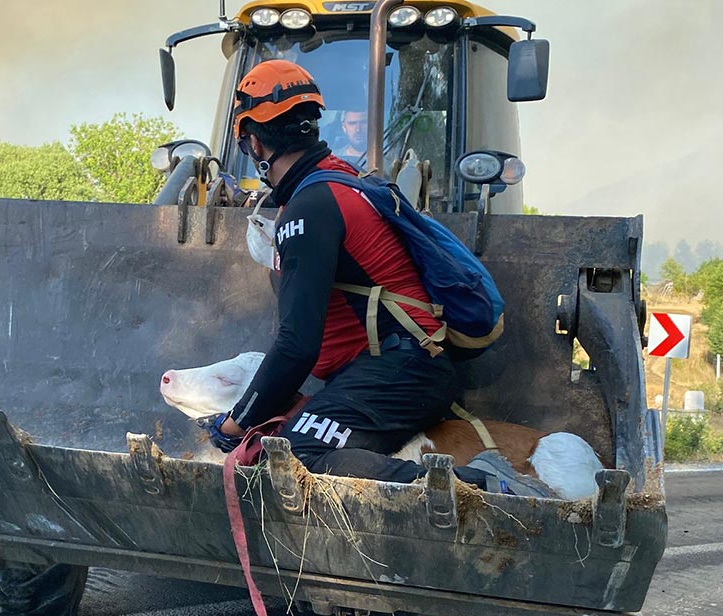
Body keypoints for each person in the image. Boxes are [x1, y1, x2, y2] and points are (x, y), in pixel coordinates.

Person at [209, 59, 523, 492]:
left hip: (402, 371)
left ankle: (483, 487)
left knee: (297, 450)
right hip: (398, 367)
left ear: (255, 144)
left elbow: (297, 345)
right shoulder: (340, 182)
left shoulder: (311, 208)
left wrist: (235, 423)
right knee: (295, 436)